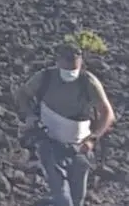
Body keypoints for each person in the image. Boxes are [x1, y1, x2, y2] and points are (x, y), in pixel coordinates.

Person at [14, 43, 116, 206]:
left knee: (77, 201)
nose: (70, 74)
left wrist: (93, 139)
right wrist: (30, 116)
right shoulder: (45, 78)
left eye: (73, 70)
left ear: (81, 63)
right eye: (67, 70)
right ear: (58, 61)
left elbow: (107, 113)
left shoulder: (88, 82)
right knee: (63, 200)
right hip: (50, 144)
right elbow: (22, 94)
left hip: (79, 150)